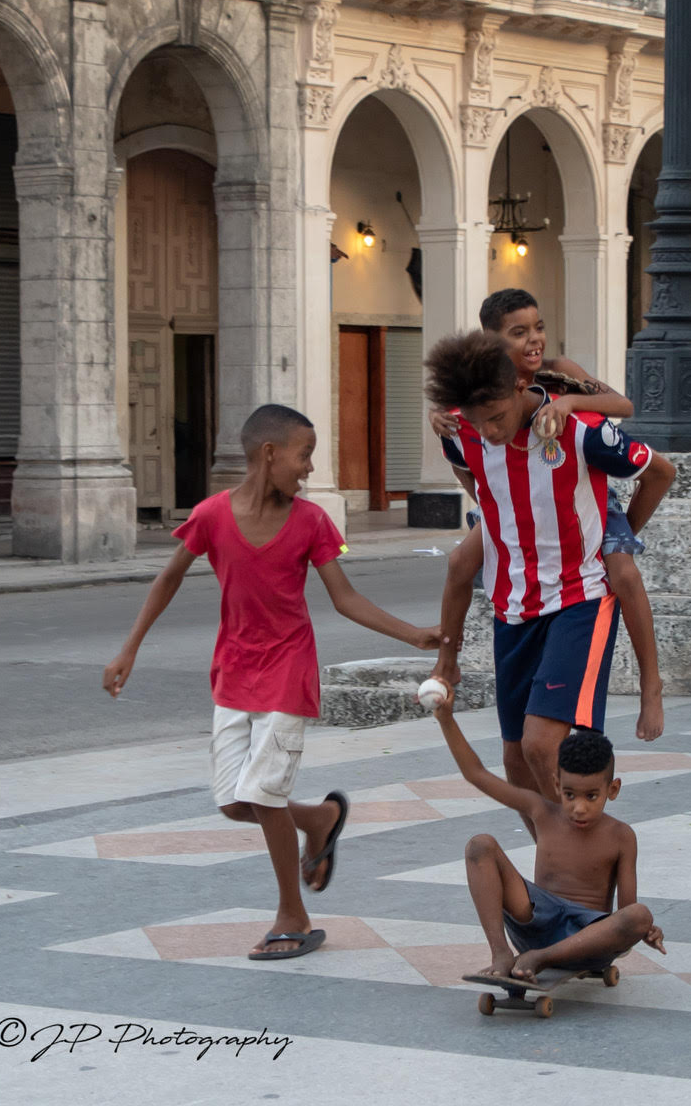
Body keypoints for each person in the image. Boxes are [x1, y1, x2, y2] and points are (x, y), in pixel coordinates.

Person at [102, 403, 440, 962]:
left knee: (261, 794)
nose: (309, 469)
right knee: (236, 804)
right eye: (304, 455)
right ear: (269, 453)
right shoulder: (212, 515)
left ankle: (292, 916)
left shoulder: (310, 522)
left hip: (288, 671)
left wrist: (414, 635)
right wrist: (128, 649)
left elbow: (345, 598)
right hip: (233, 673)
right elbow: (167, 580)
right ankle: (323, 819)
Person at [424, 330, 675, 810]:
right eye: (481, 423)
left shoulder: (580, 430)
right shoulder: (462, 435)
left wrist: (609, 535)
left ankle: (581, 854)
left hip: (580, 600)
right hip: (512, 610)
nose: (491, 432)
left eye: (497, 418)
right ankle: (556, 859)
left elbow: (660, 472)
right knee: (517, 761)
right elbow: (468, 468)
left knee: (543, 744)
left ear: (519, 387)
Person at [431, 694, 665, 980]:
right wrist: (447, 720)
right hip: (536, 923)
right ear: (557, 784)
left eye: (591, 796)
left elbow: (626, 911)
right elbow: (476, 774)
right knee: (480, 845)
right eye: (569, 795)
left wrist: (646, 930)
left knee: (639, 915)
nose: (579, 808)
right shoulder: (541, 811)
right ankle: (502, 953)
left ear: (612, 790)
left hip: (588, 940)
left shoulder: (621, 836)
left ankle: (541, 958)